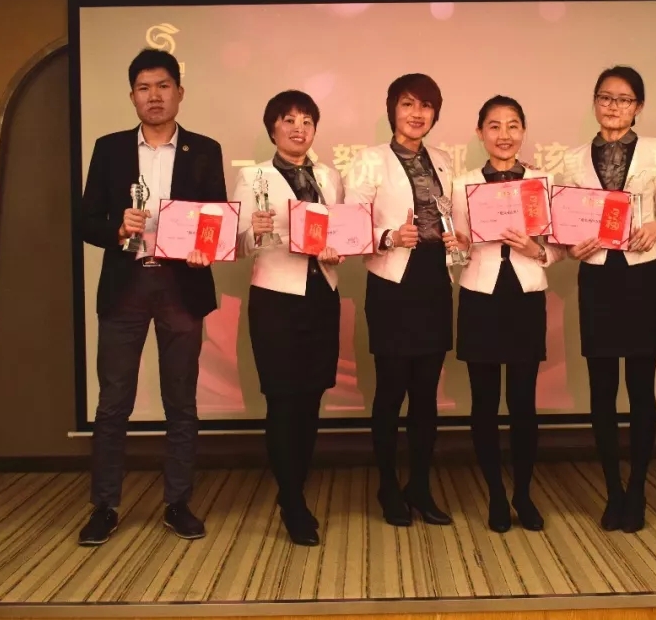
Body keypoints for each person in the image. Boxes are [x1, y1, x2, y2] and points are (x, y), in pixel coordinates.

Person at [78, 49, 226, 546]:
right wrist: (117, 228)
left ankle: (178, 502)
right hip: (126, 286)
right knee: (113, 402)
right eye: (144, 88)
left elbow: (215, 218)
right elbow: (85, 221)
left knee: (181, 400)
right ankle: (104, 506)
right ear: (132, 96)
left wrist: (207, 249)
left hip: (181, 286)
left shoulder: (204, 149)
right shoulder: (109, 148)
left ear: (179, 92)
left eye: (163, 86)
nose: (154, 96)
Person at [558, 66, 656, 533]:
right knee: (602, 389)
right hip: (597, 277)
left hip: (641, 274)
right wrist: (572, 247)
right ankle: (613, 491)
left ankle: (639, 488)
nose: (613, 106)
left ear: (638, 106)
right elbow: (563, 221)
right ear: (594, 102)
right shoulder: (572, 159)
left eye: (624, 99)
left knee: (642, 388)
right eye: (605, 97)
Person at [343, 73, 460, 527]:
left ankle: (420, 486)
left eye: (426, 106)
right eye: (408, 103)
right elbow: (350, 224)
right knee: (391, 390)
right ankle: (388, 486)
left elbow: (456, 215)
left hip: (434, 281)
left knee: (426, 395)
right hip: (393, 283)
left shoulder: (443, 160)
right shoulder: (369, 160)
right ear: (392, 108)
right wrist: (389, 236)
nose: (417, 113)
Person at [231, 90, 345, 547]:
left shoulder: (328, 177)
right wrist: (251, 233)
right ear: (272, 128)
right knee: (283, 401)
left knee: (311, 398)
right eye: (289, 120)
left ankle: (295, 485)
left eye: (306, 121)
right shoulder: (252, 176)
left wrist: (339, 248)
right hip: (276, 298)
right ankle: (292, 501)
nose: (299, 128)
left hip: (322, 294)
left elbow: (340, 231)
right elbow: (236, 244)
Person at [450, 96, 562, 533]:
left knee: (522, 403)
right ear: (480, 133)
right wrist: (459, 246)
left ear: (524, 131)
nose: (504, 135)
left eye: (513, 125)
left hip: (525, 295)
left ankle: (523, 494)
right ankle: (496, 494)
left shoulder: (541, 182)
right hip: (480, 294)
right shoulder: (461, 185)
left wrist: (535, 249)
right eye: (494, 126)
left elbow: (558, 247)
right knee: (483, 403)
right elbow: (457, 250)